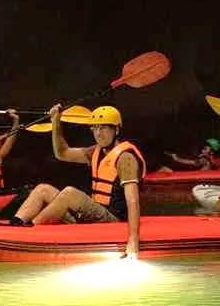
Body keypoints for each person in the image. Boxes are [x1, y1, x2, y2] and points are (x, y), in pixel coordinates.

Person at [10, 105, 145, 258]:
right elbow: (62, 153)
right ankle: (15, 224)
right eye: (95, 128)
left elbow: (133, 201)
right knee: (43, 189)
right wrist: (56, 122)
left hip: (114, 219)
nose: (98, 133)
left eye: (104, 128)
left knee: (70, 193)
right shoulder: (95, 151)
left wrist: (133, 239)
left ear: (117, 130)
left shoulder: (125, 158)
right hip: (94, 215)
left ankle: (29, 236)